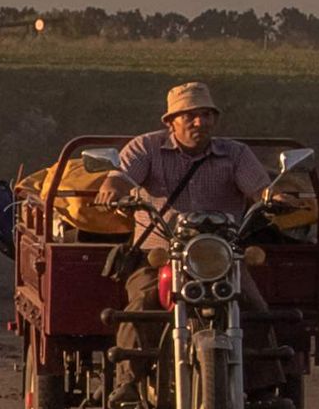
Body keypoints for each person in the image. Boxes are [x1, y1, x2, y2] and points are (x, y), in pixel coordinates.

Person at [106, 80, 274, 341]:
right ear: (170, 122)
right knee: (140, 310)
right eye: (190, 116)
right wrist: (112, 189)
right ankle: (129, 379)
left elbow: (261, 189)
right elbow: (120, 176)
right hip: (159, 256)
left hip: (223, 258)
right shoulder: (146, 148)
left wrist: (275, 197)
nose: (200, 122)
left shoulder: (236, 154)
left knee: (256, 312)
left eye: (206, 115)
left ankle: (263, 380)